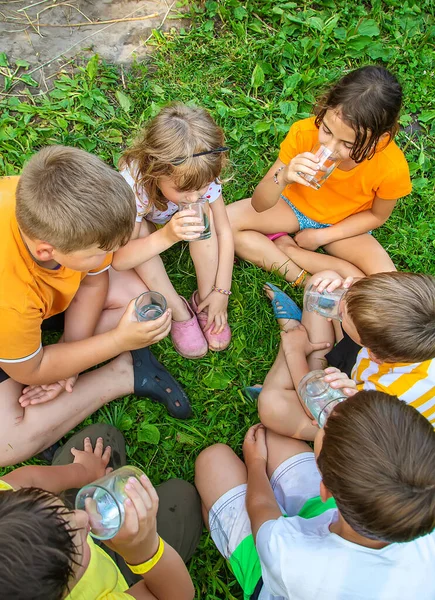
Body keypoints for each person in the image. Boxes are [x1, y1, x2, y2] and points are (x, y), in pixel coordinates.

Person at [0, 146, 191, 467]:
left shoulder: (41, 202)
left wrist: (69, 358)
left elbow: (93, 282)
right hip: (12, 326)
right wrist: (117, 342)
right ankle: (122, 374)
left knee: (138, 299)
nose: (111, 257)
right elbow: (28, 372)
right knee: (6, 443)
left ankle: (72, 365)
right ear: (47, 250)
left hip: (35, 306)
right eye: (100, 251)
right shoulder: (12, 299)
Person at [195, 392, 435, 600]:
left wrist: (256, 463)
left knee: (213, 461)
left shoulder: (293, 561)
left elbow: (261, 509)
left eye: (324, 429)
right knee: (274, 437)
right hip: (339, 521)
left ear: (326, 490)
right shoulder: (419, 503)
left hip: (279, 568)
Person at [227, 65, 412, 282]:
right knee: (224, 223)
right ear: (324, 108)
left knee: (389, 284)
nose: (331, 148)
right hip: (292, 207)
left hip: (345, 224)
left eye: (348, 143)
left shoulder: (391, 166)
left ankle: (290, 251)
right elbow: (259, 204)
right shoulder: (303, 133)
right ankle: (304, 281)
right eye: (326, 130)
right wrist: (283, 176)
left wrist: (322, 236)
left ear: (380, 140)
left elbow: (377, 215)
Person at [0, 424, 202, 600]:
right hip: (115, 572)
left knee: (102, 437)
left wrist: (82, 470)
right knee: (183, 499)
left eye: (64, 513)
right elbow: (174, 595)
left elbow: (28, 481)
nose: (82, 516)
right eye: (75, 541)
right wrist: (142, 549)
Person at [113, 102, 234, 359]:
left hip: (175, 226)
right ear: (154, 170)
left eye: (202, 188)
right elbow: (120, 260)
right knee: (142, 233)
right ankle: (178, 308)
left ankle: (204, 299)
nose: (193, 197)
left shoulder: (201, 176)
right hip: (143, 226)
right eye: (183, 191)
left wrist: (221, 291)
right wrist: (167, 236)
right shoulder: (134, 185)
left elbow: (224, 231)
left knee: (206, 215)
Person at [258, 271, 435, 440]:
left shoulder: (385, 396)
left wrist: (294, 352)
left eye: (341, 314)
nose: (341, 301)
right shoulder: (416, 326)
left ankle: (292, 338)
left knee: (272, 405)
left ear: (373, 354)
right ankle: (301, 363)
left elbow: (331, 416)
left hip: (367, 429)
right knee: (323, 284)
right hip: (365, 372)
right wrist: (353, 288)